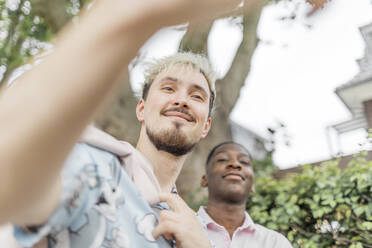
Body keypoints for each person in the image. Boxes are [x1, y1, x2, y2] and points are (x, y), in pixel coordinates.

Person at [0, 0, 250, 246]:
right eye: (168, 88)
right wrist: (128, 17)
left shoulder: (191, 231)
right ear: (141, 109)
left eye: (196, 96)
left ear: (206, 126)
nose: (182, 100)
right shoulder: (88, 163)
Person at [198, 141, 293, 248]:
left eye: (244, 162)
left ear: (252, 184)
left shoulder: (275, 243)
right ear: (205, 179)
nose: (235, 164)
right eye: (223, 159)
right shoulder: (180, 229)